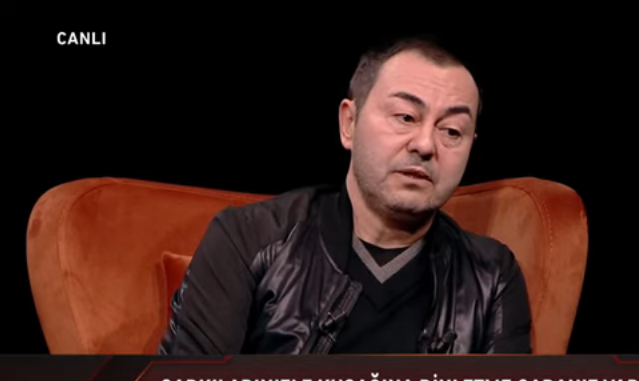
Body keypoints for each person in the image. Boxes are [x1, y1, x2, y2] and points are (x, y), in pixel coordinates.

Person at [158, 35, 532, 355]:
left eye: (451, 131)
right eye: (405, 117)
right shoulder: (248, 239)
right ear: (349, 123)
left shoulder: (491, 277)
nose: (425, 144)